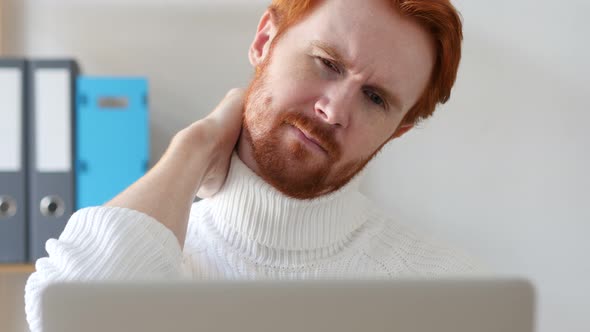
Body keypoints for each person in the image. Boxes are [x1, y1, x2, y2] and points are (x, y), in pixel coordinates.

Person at [25, 0, 483, 330]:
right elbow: (62, 317)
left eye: (375, 98)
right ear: (265, 40)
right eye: (327, 63)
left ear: (396, 131)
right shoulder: (149, 252)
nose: (335, 110)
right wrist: (194, 148)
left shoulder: (450, 292)